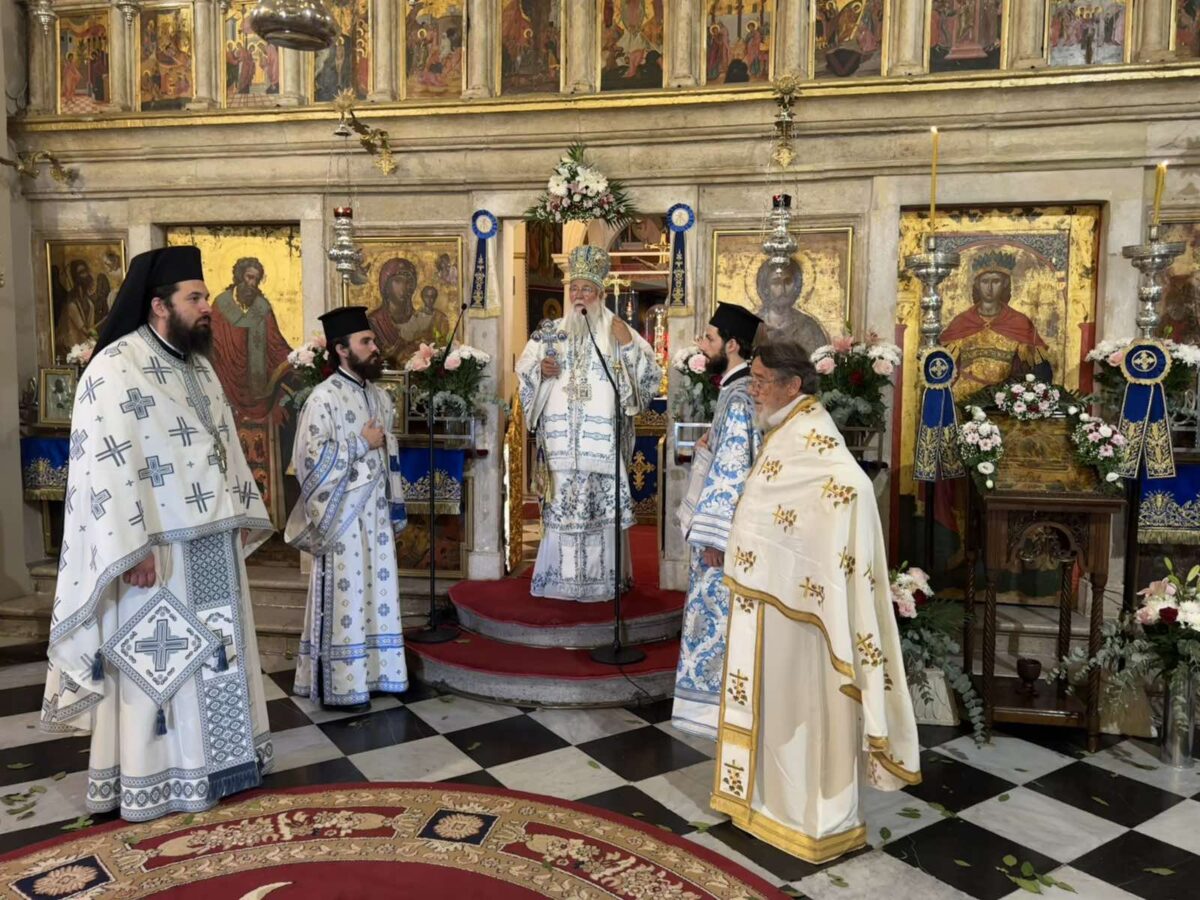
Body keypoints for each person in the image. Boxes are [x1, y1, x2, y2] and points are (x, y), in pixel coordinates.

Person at [40, 245, 275, 822]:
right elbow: (105, 468)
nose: (207, 307)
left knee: (216, 657)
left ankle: (223, 763)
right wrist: (133, 549)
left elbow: (221, 447)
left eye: (205, 296)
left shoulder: (199, 366)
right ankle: (161, 777)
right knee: (164, 667)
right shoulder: (113, 369)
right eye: (195, 298)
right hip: (154, 554)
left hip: (211, 544)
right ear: (158, 305)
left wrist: (237, 513)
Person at [711, 340, 919, 863]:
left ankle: (813, 821)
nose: (753, 390)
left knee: (807, 708)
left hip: (806, 614)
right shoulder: (787, 429)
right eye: (753, 380)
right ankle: (766, 805)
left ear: (793, 385)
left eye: (761, 381)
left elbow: (848, 491)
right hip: (775, 599)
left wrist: (814, 572)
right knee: (777, 708)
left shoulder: (812, 436)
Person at [516, 246, 662, 602]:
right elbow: (524, 376)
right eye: (575, 288)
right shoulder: (549, 333)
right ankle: (559, 581)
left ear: (600, 293)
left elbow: (649, 377)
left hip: (601, 446)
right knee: (563, 513)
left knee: (599, 515)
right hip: (561, 445)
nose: (579, 295)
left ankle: (602, 582)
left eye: (587, 289)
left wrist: (628, 347)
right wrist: (541, 372)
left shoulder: (618, 330)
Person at [285, 306, 408, 712]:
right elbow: (308, 460)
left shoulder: (379, 396)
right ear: (341, 349)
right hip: (342, 518)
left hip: (375, 515)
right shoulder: (323, 398)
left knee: (376, 594)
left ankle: (378, 675)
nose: (375, 347)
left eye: (372, 340)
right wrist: (360, 444)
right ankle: (342, 684)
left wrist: (394, 505)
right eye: (365, 342)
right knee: (347, 599)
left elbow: (388, 451)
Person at [672, 303, 762, 739]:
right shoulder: (735, 389)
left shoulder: (740, 396)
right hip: (721, 528)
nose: (701, 344)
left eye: (709, 338)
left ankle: (715, 711)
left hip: (721, 536)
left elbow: (732, 473)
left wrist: (714, 537)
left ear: (732, 345)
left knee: (714, 618)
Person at [940, 250, 1052, 401]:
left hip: (1003, 399)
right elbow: (942, 366)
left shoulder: (1019, 322)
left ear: (1005, 283)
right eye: (985, 281)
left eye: (996, 281)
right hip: (962, 398)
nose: (990, 288)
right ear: (977, 284)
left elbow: (1039, 370)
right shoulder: (962, 321)